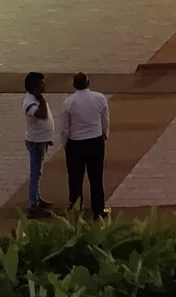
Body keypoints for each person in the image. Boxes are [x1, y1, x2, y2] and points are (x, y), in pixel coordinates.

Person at [60, 71, 110, 218]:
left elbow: (64, 127)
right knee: (96, 177)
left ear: (74, 85)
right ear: (88, 83)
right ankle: (98, 209)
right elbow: (105, 120)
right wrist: (104, 135)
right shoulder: (100, 98)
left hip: (76, 144)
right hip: (95, 141)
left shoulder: (69, 102)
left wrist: (65, 143)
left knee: (75, 177)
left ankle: (76, 208)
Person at [22, 71, 56, 217]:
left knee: (38, 172)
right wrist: (41, 99)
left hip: (41, 140)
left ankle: (37, 198)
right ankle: (33, 205)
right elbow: (42, 116)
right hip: (36, 142)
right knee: (35, 173)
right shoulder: (30, 102)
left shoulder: (34, 98)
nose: (44, 85)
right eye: (41, 83)